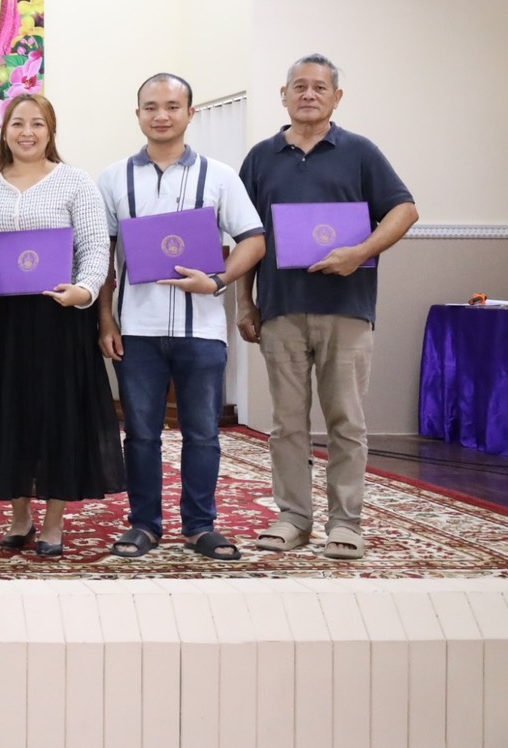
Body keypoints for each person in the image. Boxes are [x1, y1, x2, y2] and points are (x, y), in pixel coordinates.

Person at [237, 54, 417, 560]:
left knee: (346, 422)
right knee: (287, 424)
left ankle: (346, 523)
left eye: (319, 87)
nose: (308, 94)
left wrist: (360, 252)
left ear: (337, 97)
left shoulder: (360, 152)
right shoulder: (261, 158)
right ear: (284, 95)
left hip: (347, 310)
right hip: (281, 309)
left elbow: (404, 210)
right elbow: (248, 236)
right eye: (299, 86)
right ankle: (293, 518)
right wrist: (245, 301)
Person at [97, 74, 266, 561]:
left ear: (190, 114)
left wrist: (218, 281)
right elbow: (103, 257)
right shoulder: (113, 179)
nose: (161, 115)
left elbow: (254, 239)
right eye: (151, 106)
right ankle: (144, 525)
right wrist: (106, 321)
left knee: (203, 434)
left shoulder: (219, 176)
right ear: (138, 114)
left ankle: (199, 526)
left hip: (203, 330)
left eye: (172, 106)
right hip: (137, 331)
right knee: (141, 435)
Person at [0, 93, 123, 557]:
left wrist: (84, 291)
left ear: (51, 131)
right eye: (17, 123)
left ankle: (53, 522)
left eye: (37, 123)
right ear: (4, 130)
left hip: (60, 316)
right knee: (9, 414)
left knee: (57, 418)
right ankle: (20, 516)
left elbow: (95, 247)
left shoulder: (75, 182)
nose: (27, 132)